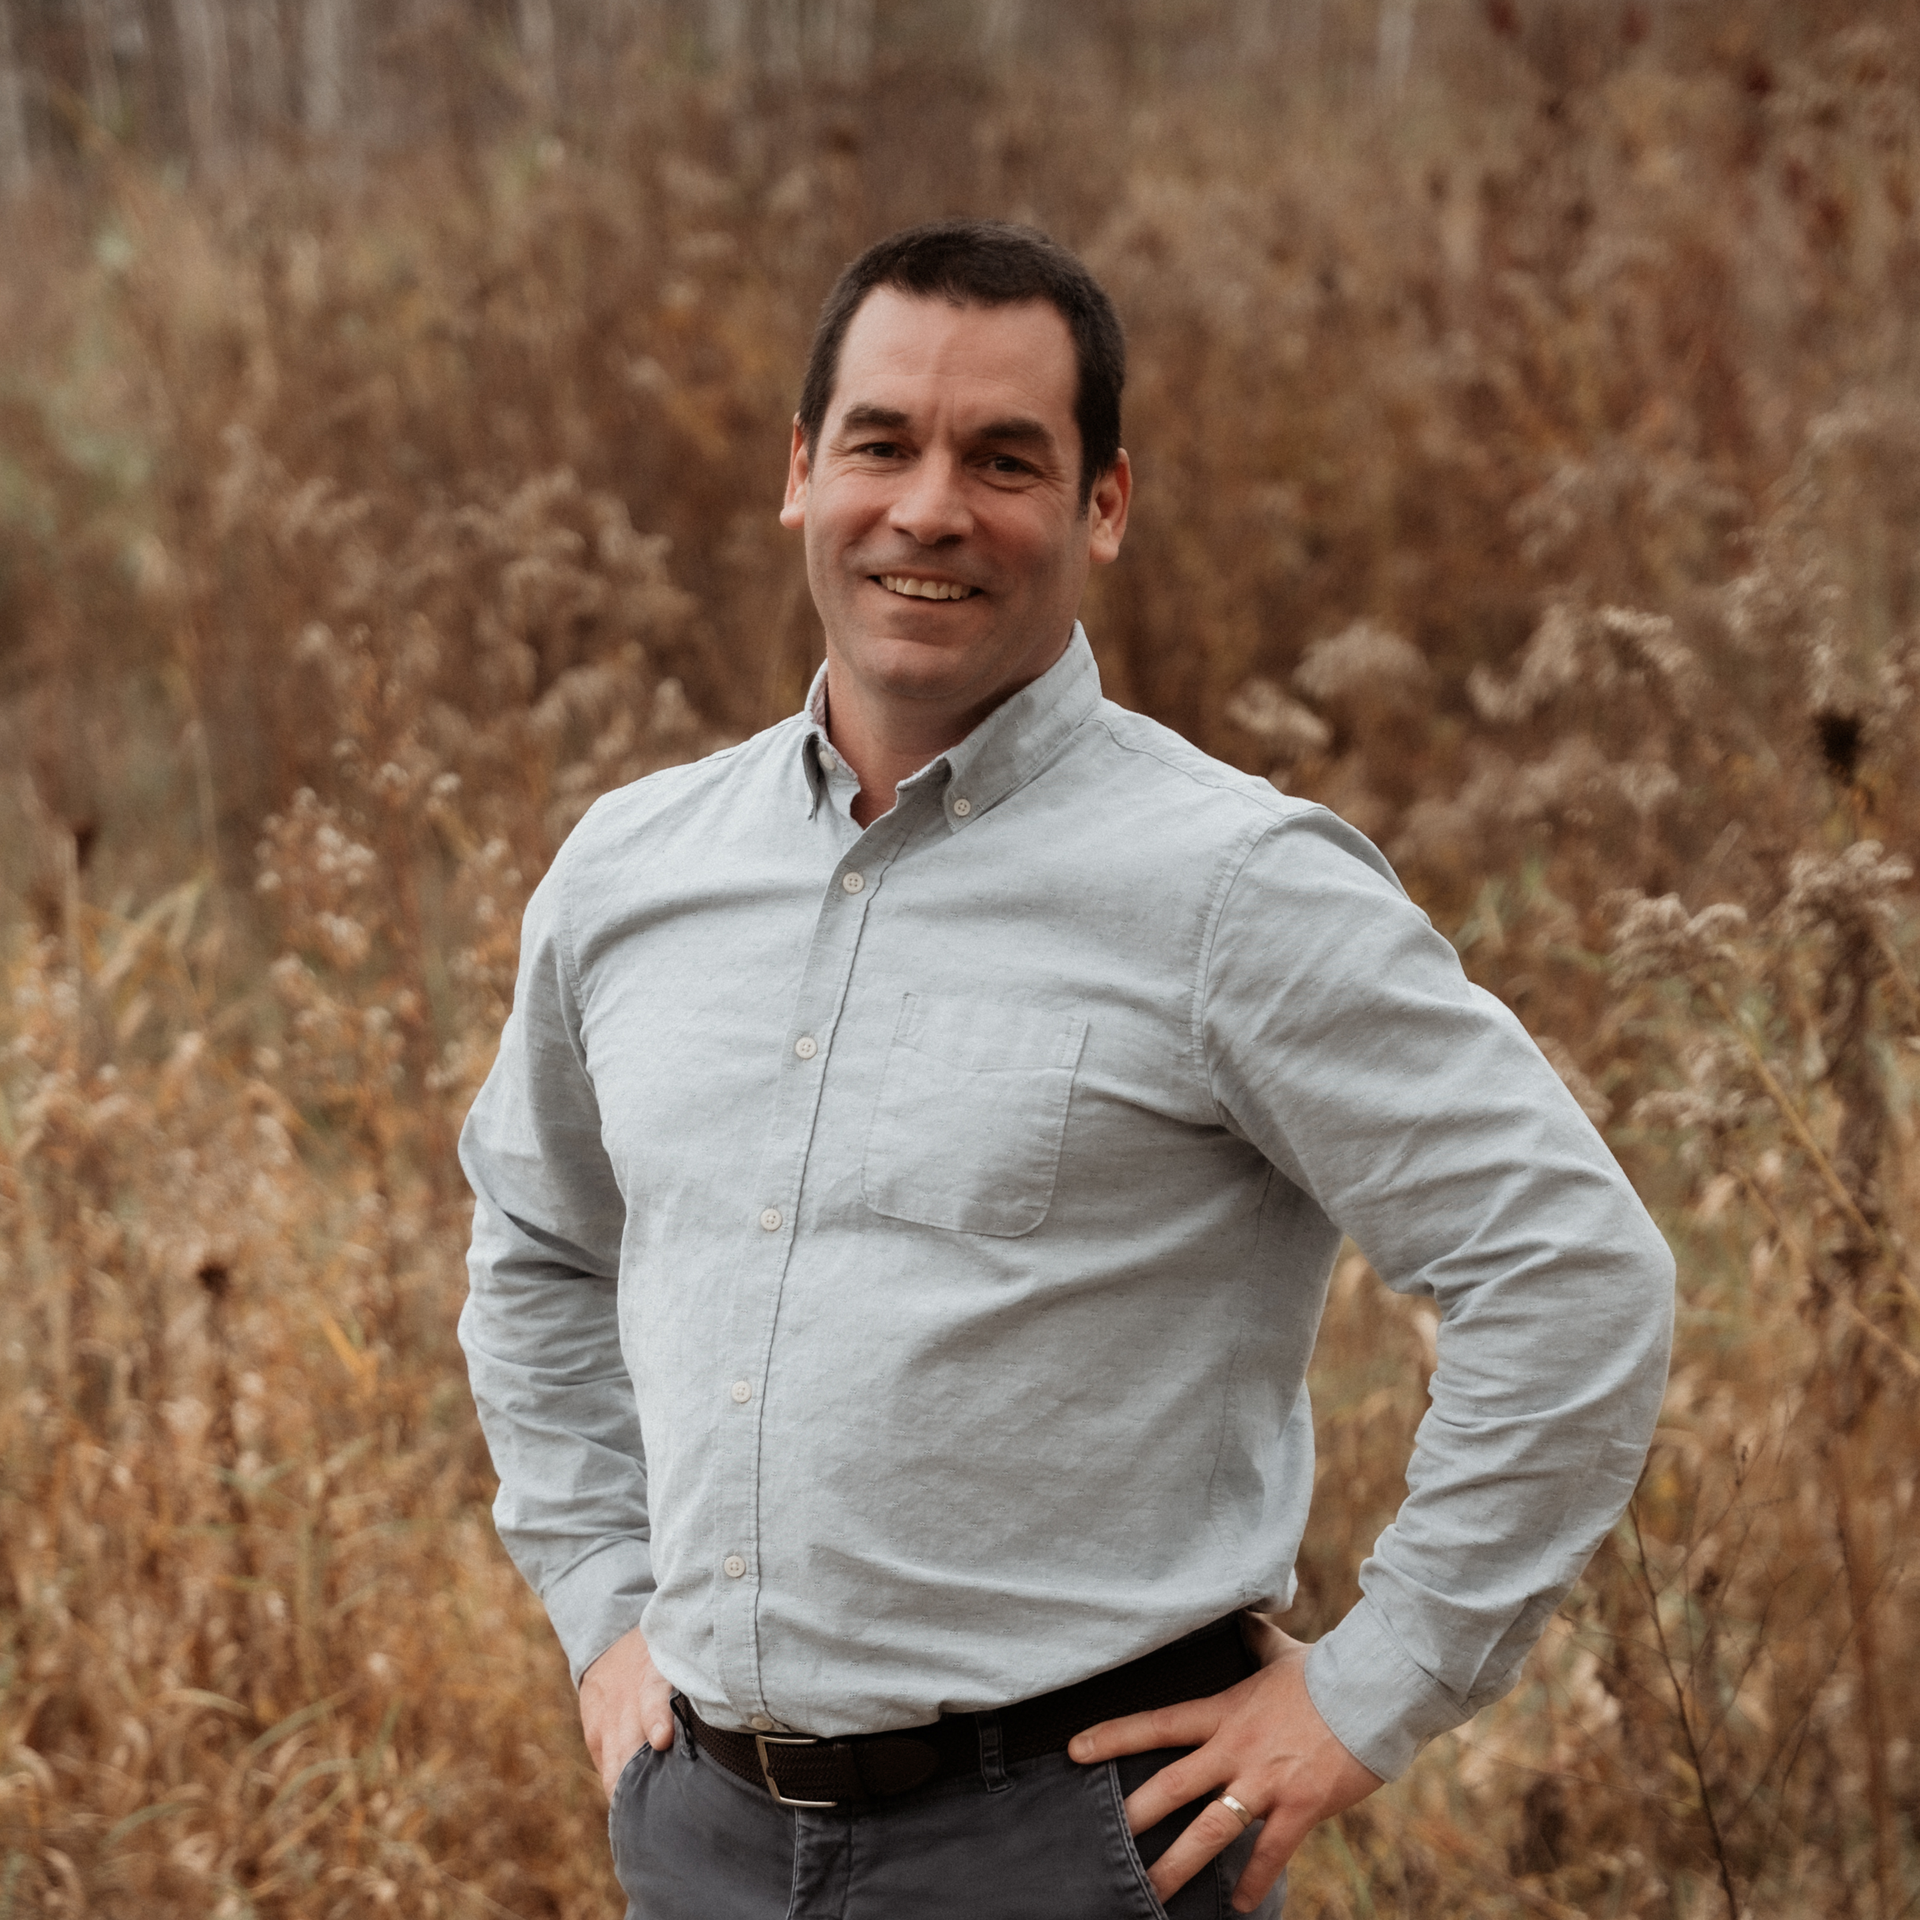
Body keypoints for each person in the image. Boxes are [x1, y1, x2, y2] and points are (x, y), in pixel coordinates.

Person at [457, 220, 1674, 1919]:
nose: (930, 507)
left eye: (1004, 459)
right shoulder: (630, 871)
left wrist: (1369, 1688)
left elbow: (1570, 1272)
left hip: (1070, 1849)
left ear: (1104, 505)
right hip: (704, 1838)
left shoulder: (1235, 890)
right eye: (880, 442)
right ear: (800, 473)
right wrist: (601, 1601)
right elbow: (537, 1250)